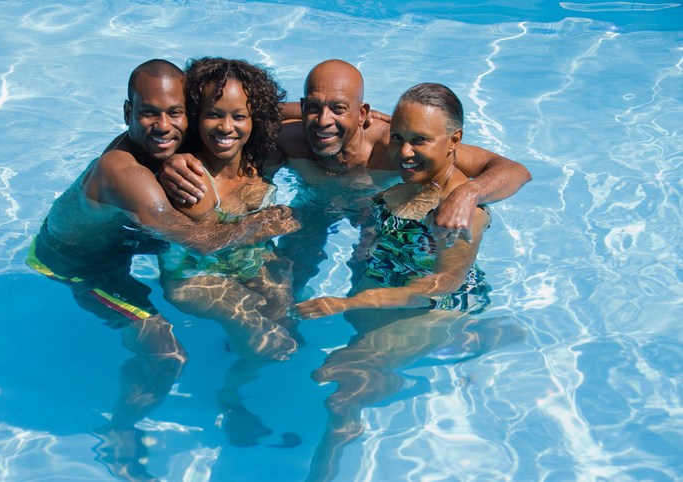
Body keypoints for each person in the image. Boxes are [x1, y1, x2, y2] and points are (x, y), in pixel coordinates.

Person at [25, 58, 293, 478]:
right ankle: (120, 428)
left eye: (174, 113)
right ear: (128, 113)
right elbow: (201, 241)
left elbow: (245, 110)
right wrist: (260, 224)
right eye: (149, 113)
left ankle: (236, 376)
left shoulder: (168, 148)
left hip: (123, 240)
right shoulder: (124, 172)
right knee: (167, 352)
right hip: (80, 266)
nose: (164, 126)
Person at [288, 82, 500, 480]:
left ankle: (331, 459)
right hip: (381, 296)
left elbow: (444, 285)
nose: (404, 152)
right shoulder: (403, 183)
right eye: (399, 138)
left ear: (454, 140)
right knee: (334, 372)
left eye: (420, 140)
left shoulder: (459, 210)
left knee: (343, 386)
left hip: (431, 311)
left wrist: (350, 303)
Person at [160, 59, 531, 245]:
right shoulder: (289, 141)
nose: (323, 122)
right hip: (310, 209)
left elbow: (514, 169)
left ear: (363, 113)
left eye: (339, 109)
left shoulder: (395, 145)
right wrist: (176, 157)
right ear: (303, 106)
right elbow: (236, 118)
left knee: (368, 269)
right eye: (314, 107)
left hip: (374, 212)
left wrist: (468, 193)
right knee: (288, 265)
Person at [158, 57, 301, 362]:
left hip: (241, 262)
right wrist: (259, 225)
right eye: (213, 115)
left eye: (239, 116)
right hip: (195, 280)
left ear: (255, 119)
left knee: (284, 309)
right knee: (259, 331)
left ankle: (245, 377)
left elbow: (297, 116)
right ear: (196, 117)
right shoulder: (193, 180)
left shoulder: (257, 161)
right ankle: (232, 394)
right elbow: (204, 243)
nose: (226, 127)